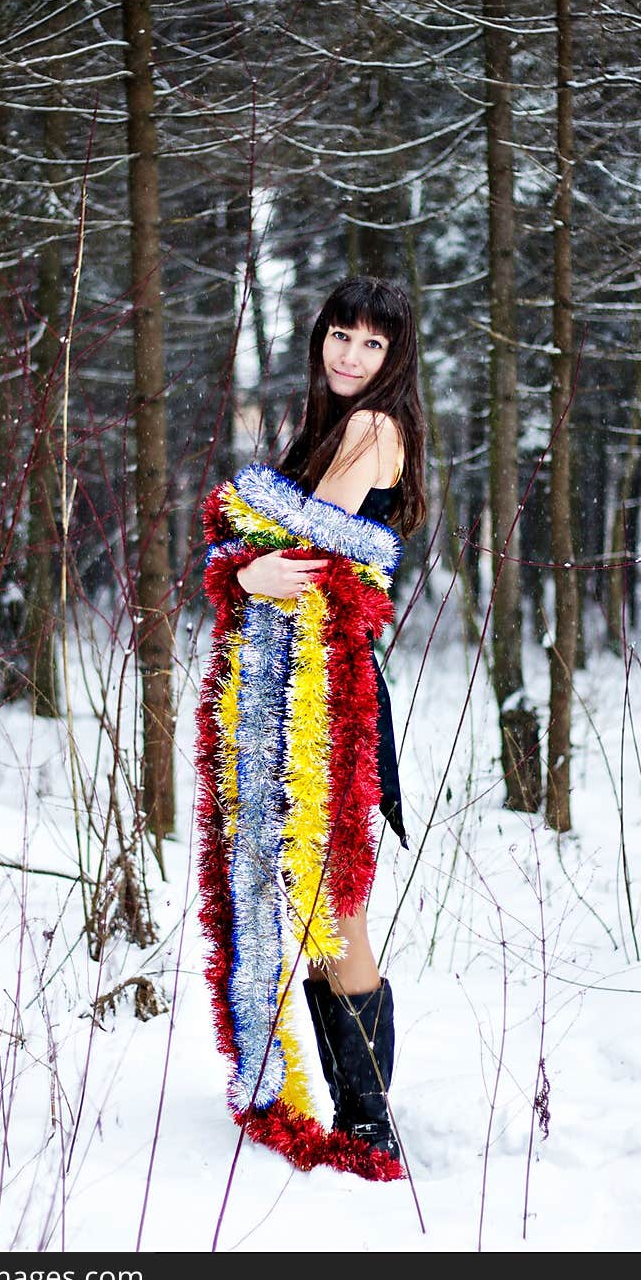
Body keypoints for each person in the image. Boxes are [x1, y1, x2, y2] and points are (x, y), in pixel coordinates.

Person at [195, 275, 426, 1180]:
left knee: (336, 901)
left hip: (326, 692)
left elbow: (296, 535)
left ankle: (370, 1125)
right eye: (340, 335)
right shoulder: (326, 427)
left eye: (372, 345)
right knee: (316, 900)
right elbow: (263, 550)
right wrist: (244, 571)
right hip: (295, 682)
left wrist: (236, 546)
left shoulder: (372, 429)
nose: (350, 356)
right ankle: (353, 1113)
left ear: (394, 359)